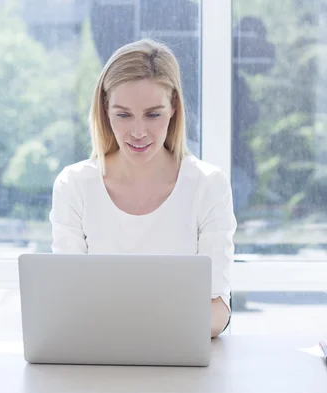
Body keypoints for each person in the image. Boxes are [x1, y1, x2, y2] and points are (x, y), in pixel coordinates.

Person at [49, 38, 237, 338]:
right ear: (105, 111)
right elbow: (67, 300)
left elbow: (217, 309)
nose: (138, 132)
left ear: (174, 107)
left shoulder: (207, 184)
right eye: (123, 115)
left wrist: (133, 330)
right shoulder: (74, 185)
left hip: (179, 365)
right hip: (98, 361)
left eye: (153, 114)